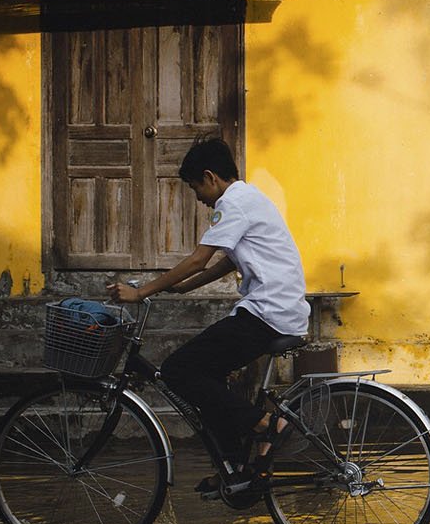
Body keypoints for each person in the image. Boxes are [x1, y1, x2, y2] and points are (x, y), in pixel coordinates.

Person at [107, 138, 309, 498]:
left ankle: (266, 424)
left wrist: (141, 292)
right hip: (276, 309)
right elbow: (228, 261)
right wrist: (184, 288)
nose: (198, 198)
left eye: (195, 188)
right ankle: (232, 467)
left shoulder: (232, 204)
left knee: (177, 370)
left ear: (210, 177)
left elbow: (200, 258)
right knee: (209, 377)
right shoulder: (250, 198)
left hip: (268, 312)